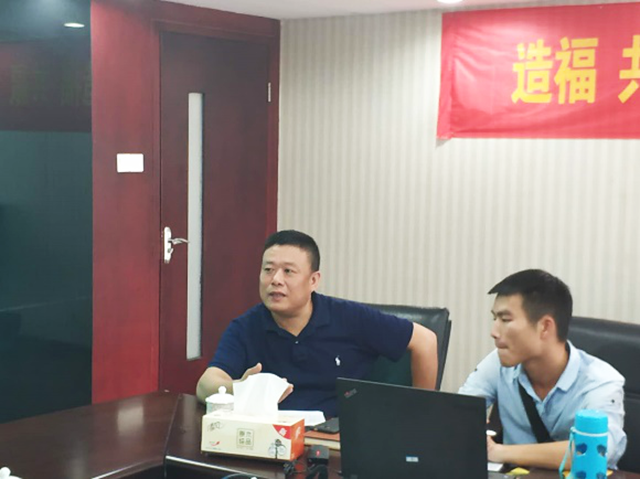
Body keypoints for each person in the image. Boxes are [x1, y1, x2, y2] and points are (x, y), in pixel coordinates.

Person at [196, 229, 438, 417]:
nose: (275, 280)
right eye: (268, 269)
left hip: (337, 441)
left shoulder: (348, 317)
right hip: (273, 440)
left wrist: (421, 416)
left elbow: (425, 341)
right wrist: (241, 387)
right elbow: (206, 385)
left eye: (288, 272)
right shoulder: (246, 327)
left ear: (313, 281)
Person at [459, 269, 627, 470]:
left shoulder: (600, 381)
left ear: (545, 327)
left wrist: (499, 451)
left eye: (505, 320)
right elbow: (455, 414)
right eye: (494, 319)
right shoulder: (497, 363)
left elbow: (596, 450)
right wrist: (464, 423)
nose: (494, 332)